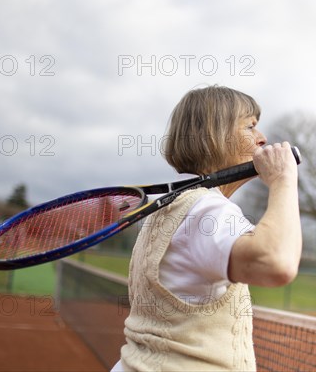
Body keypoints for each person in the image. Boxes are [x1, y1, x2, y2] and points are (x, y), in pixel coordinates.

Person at [112, 85, 302, 371]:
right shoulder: (206, 210)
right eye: (250, 126)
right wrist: (283, 180)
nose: (262, 139)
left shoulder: (173, 207)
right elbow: (276, 264)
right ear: (216, 136)